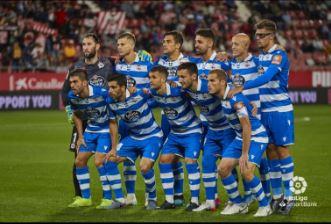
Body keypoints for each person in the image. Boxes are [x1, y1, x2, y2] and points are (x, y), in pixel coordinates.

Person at [228, 19, 295, 215]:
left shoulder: (278, 55)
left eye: (262, 35)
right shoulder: (261, 57)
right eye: (256, 35)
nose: (258, 38)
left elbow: (266, 78)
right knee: (271, 152)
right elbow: (244, 61)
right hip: (264, 111)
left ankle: (290, 196)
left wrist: (242, 87)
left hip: (280, 110)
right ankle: (276, 197)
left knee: (282, 151)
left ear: (272, 36)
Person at [61, 33, 117, 208]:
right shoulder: (75, 67)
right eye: (83, 44)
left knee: (104, 159)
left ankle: (112, 196)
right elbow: (64, 92)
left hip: (102, 119)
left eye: (89, 44)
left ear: (97, 46)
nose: (85, 47)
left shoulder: (109, 64)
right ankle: (80, 196)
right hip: (83, 119)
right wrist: (70, 110)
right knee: (78, 157)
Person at [207, 69, 272, 217]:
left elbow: (247, 127)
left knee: (246, 171)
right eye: (208, 81)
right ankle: (238, 203)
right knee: (222, 169)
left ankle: (265, 206)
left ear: (222, 82)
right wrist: (252, 105)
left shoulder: (235, 102)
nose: (208, 84)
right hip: (240, 137)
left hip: (256, 137)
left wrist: (244, 154)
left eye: (212, 81)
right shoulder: (224, 95)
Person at [176, 62, 236, 211]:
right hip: (212, 131)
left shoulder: (209, 87)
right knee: (207, 164)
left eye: (183, 77)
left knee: (229, 168)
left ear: (194, 76)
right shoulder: (187, 90)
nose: (180, 80)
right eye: (179, 77)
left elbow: (230, 93)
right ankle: (211, 201)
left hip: (228, 130)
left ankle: (237, 200)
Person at [66, 68, 124, 209]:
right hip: (90, 131)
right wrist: (80, 136)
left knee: (99, 161)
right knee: (79, 161)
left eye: (75, 82)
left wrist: (114, 144)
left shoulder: (102, 94)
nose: (72, 85)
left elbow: (114, 116)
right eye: (70, 82)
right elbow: (77, 115)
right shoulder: (72, 96)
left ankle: (108, 198)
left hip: (105, 131)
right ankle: (86, 198)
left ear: (85, 83)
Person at [148, 65, 202, 211]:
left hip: (192, 131)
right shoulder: (154, 93)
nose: (150, 80)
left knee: (190, 161)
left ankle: (195, 201)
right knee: (164, 160)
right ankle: (169, 200)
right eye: (149, 77)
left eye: (154, 77)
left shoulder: (180, 91)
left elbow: (199, 92)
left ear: (163, 79)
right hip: (175, 133)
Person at [106, 73, 163, 210]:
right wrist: (113, 148)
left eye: (113, 87)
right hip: (133, 138)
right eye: (109, 87)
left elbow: (159, 91)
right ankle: (121, 199)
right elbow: (113, 125)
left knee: (144, 167)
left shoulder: (140, 93)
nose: (110, 90)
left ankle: (152, 200)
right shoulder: (110, 102)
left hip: (152, 136)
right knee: (109, 160)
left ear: (123, 87)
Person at [191, 28, 234, 205]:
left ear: (210, 43)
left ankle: (237, 198)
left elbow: (231, 86)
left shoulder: (222, 62)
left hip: (226, 123)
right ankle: (212, 198)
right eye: (195, 41)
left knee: (229, 162)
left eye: (200, 41)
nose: (196, 44)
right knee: (208, 161)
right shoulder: (195, 64)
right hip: (206, 122)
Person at [230, 33, 272, 204]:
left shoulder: (256, 62)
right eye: (232, 44)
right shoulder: (231, 63)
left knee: (261, 158)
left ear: (246, 46)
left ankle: (267, 193)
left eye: (236, 44)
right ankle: (250, 193)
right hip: (240, 115)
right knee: (246, 157)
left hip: (256, 116)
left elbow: (266, 78)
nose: (232, 47)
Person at [114, 31, 155, 206]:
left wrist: (144, 104)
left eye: (122, 44)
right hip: (124, 122)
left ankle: (150, 196)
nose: (119, 47)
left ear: (132, 45)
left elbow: (155, 89)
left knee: (145, 162)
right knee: (127, 159)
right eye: (118, 44)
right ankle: (130, 195)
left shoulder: (147, 65)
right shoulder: (117, 67)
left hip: (144, 120)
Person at [154, 30, 190, 205]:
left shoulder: (187, 63)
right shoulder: (160, 62)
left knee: (182, 157)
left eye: (168, 41)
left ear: (178, 45)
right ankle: (177, 195)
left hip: (184, 117)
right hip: (165, 116)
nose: (164, 44)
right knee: (170, 156)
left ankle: (183, 194)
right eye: (163, 41)